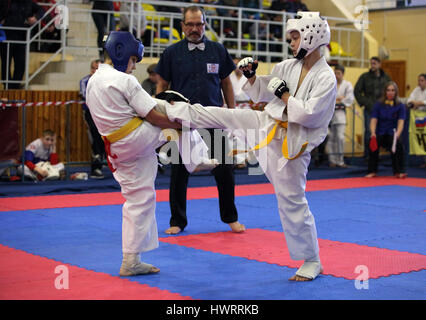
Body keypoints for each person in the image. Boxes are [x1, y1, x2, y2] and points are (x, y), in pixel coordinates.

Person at [162, 11, 336, 281]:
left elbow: (310, 114)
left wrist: (285, 94)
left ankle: (312, 259)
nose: (291, 44)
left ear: (312, 36)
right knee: (223, 115)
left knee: (291, 201)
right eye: (291, 38)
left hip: (292, 146)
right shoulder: (289, 66)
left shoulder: (326, 78)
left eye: (295, 38)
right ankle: (170, 109)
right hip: (266, 124)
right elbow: (264, 91)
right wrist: (253, 77)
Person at [85, 31, 216, 276]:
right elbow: (154, 116)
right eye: (134, 60)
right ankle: (195, 158)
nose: (134, 66)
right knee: (172, 108)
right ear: (121, 52)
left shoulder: (94, 79)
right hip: (134, 136)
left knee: (139, 198)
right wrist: (183, 126)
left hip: (116, 148)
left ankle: (130, 261)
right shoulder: (125, 81)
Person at [155, 6, 245, 235]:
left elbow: (226, 83)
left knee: (225, 170)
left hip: (214, 118)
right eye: (190, 24)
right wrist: (160, 118)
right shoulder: (171, 53)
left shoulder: (217, 49)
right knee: (178, 172)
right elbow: (161, 87)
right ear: (183, 26)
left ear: (205, 24)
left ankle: (231, 217)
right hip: (181, 122)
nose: (195, 29)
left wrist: (232, 114)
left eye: (199, 24)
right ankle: (177, 221)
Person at [365, 81, 406, 178]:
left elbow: (401, 122)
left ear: (396, 92)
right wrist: (373, 133)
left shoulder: (400, 106)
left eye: (392, 90)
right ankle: (372, 171)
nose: (390, 92)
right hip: (380, 132)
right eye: (388, 90)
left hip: (392, 133)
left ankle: (398, 171)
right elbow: (373, 120)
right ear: (385, 92)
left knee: (398, 145)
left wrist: (397, 135)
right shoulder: (378, 104)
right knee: (373, 143)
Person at [354, 57, 391, 159]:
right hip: (370, 109)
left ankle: (377, 154)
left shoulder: (386, 78)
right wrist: (366, 103)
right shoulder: (365, 77)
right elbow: (357, 91)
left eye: (374, 63)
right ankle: (368, 155)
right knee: (369, 132)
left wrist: (387, 103)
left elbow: (391, 91)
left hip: (383, 109)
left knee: (381, 131)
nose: (372, 65)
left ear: (379, 64)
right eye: (371, 63)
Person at [0, 0, 37, 89]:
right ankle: (7, 85)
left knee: (20, 63)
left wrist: (33, 17)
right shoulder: (5, 2)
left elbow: (39, 10)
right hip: (6, 36)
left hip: (21, 37)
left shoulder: (27, 3)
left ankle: (15, 85)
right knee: (6, 62)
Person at [79, 59, 105, 179]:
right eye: (94, 68)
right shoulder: (85, 81)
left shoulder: (106, 81)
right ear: (91, 69)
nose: (96, 71)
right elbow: (87, 96)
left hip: (105, 112)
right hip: (91, 112)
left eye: (99, 69)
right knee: (94, 134)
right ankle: (96, 166)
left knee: (105, 136)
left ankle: (102, 159)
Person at [327, 64, 354, 168]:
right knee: (331, 137)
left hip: (340, 114)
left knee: (340, 137)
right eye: (335, 72)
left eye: (338, 73)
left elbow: (349, 99)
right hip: (329, 114)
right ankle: (332, 160)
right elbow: (327, 99)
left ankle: (340, 160)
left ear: (343, 74)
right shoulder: (330, 84)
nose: (336, 75)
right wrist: (339, 99)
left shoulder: (347, 85)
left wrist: (338, 100)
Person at [407, 73, 426, 168]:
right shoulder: (416, 90)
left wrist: (419, 103)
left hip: (424, 114)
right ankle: (424, 160)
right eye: (419, 80)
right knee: (421, 137)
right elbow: (409, 100)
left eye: (422, 80)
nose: (420, 82)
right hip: (418, 116)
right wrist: (415, 103)